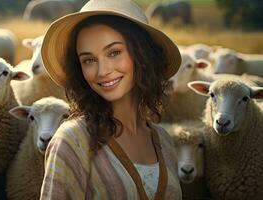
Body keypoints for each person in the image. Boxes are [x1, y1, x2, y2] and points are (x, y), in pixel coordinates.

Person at [40, 0, 182, 199]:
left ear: (142, 54)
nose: (103, 71)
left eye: (114, 52)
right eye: (88, 60)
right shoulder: (72, 141)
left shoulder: (164, 141)